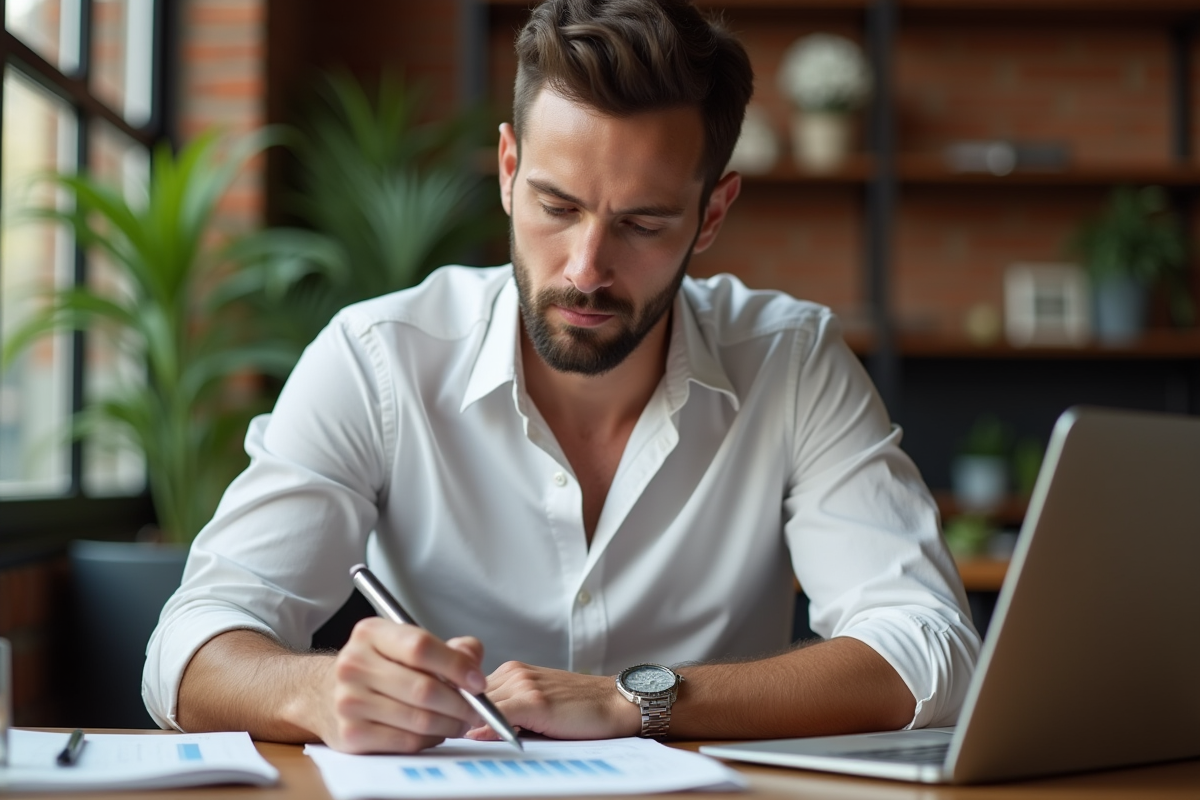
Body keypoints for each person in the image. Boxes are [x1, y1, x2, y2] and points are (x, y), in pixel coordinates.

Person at [144, 0, 979, 754]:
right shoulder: (376, 358)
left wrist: (637, 700)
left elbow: (930, 650)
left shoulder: (792, 361)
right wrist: (316, 690)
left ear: (713, 213)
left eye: (642, 223)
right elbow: (189, 648)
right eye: (556, 206)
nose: (586, 269)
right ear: (508, 169)